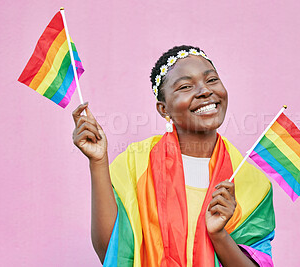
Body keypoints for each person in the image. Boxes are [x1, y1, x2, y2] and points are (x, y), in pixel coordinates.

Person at [72, 45, 275, 267]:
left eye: (212, 80)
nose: (205, 91)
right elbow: (111, 252)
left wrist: (219, 235)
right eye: (186, 86)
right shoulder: (136, 163)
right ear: (163, 109)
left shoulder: (252, 182)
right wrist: (98, 162)